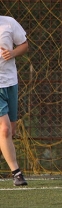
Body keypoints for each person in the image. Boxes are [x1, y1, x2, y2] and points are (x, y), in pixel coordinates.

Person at [0, 15, 29, 186]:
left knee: (11, 130)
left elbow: (24, 46)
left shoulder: (9, 23)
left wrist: (12, 53)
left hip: (11, 83)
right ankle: (17, 174)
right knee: (3, 130)